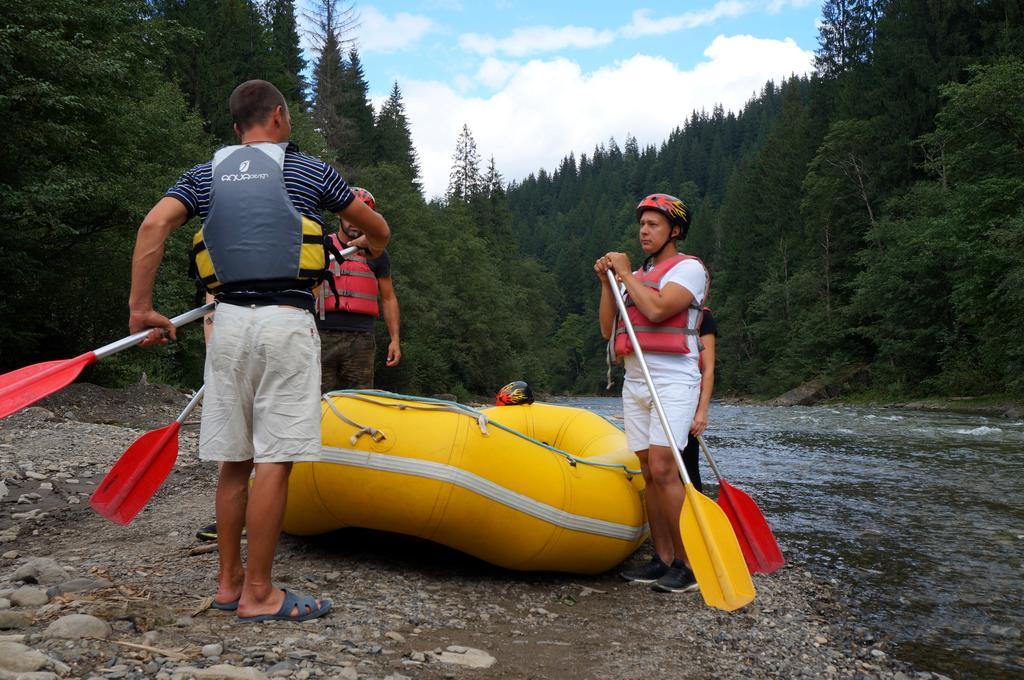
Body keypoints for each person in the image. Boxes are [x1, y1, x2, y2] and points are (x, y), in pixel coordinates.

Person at [128, 80, 389, 622]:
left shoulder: (202, 176)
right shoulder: (310, 170)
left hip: (225, 327)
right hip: (285, 324)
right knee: (274, 458)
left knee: (234, 460)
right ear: (279, 116)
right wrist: (374, 243)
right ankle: (261, 592)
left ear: (235, 129)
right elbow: (376, 228)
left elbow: (153, 225)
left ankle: (228, 585)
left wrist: (141, 310)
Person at [595, 193, 709, 594]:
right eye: (642, 224)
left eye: (653, 225)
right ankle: (662, 558)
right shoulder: (634, 276)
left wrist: (624, 274)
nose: (644, 230)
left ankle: (688, 563)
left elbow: (660, 310)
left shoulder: (689, 268)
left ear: (674, 231)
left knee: (664, 467)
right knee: (647, 471)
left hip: (673, 378)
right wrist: (608, 284)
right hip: (636, 379)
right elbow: (608, 328)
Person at [317, 186, 401, 393]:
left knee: (360, 399)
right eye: (350, 216)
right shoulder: (321, 246)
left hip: (361, 337)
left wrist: (395, 340)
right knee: (316, 399)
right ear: (339, 214)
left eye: (362, 216)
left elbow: (388, 298)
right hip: (321, 334)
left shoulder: (378, 254)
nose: (355, 222)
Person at [681, 306, 718, 492]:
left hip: (688, 398)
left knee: (688, 463)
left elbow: (708, 369)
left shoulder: (703, 317)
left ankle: (694, 510)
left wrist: (702, 411)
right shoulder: (652, 309)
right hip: (657, 395)